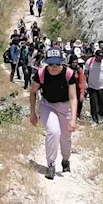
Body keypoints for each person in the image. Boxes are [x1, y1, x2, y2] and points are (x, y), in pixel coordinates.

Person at [29, 47, 78, 180]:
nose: (54, 67)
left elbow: (73, 97)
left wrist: (73, 119)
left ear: (62, 63)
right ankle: (51, 164)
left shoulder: (69, 74)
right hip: (47, 105)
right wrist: (32, 113)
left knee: (65, 137)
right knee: (53, 131)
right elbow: (33, 92)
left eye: (57, 64)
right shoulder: (41, 74)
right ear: (47, 63)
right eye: (51, 64)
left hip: (65, 106)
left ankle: (66, 160)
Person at [85, 48, 103, 124]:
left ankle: (100, 116)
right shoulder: (89, 61)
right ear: (96, 56)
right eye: (99, 57)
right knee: (94, 104)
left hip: (102, 86)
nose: (100, 58)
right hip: (92, 86)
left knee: (102, 103)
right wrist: (85, 83)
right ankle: (94, 118)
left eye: (102, 57)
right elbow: (85, 73)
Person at [69, 54, 87, 120]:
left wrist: (82, 93)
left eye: (76, 62)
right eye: (73, 62)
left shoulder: (79, 70)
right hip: (69, 89)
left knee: (79, 102)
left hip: (77, 89)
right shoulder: (68, 70)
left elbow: (81, 81)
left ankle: (77, 116)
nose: (75, 64)